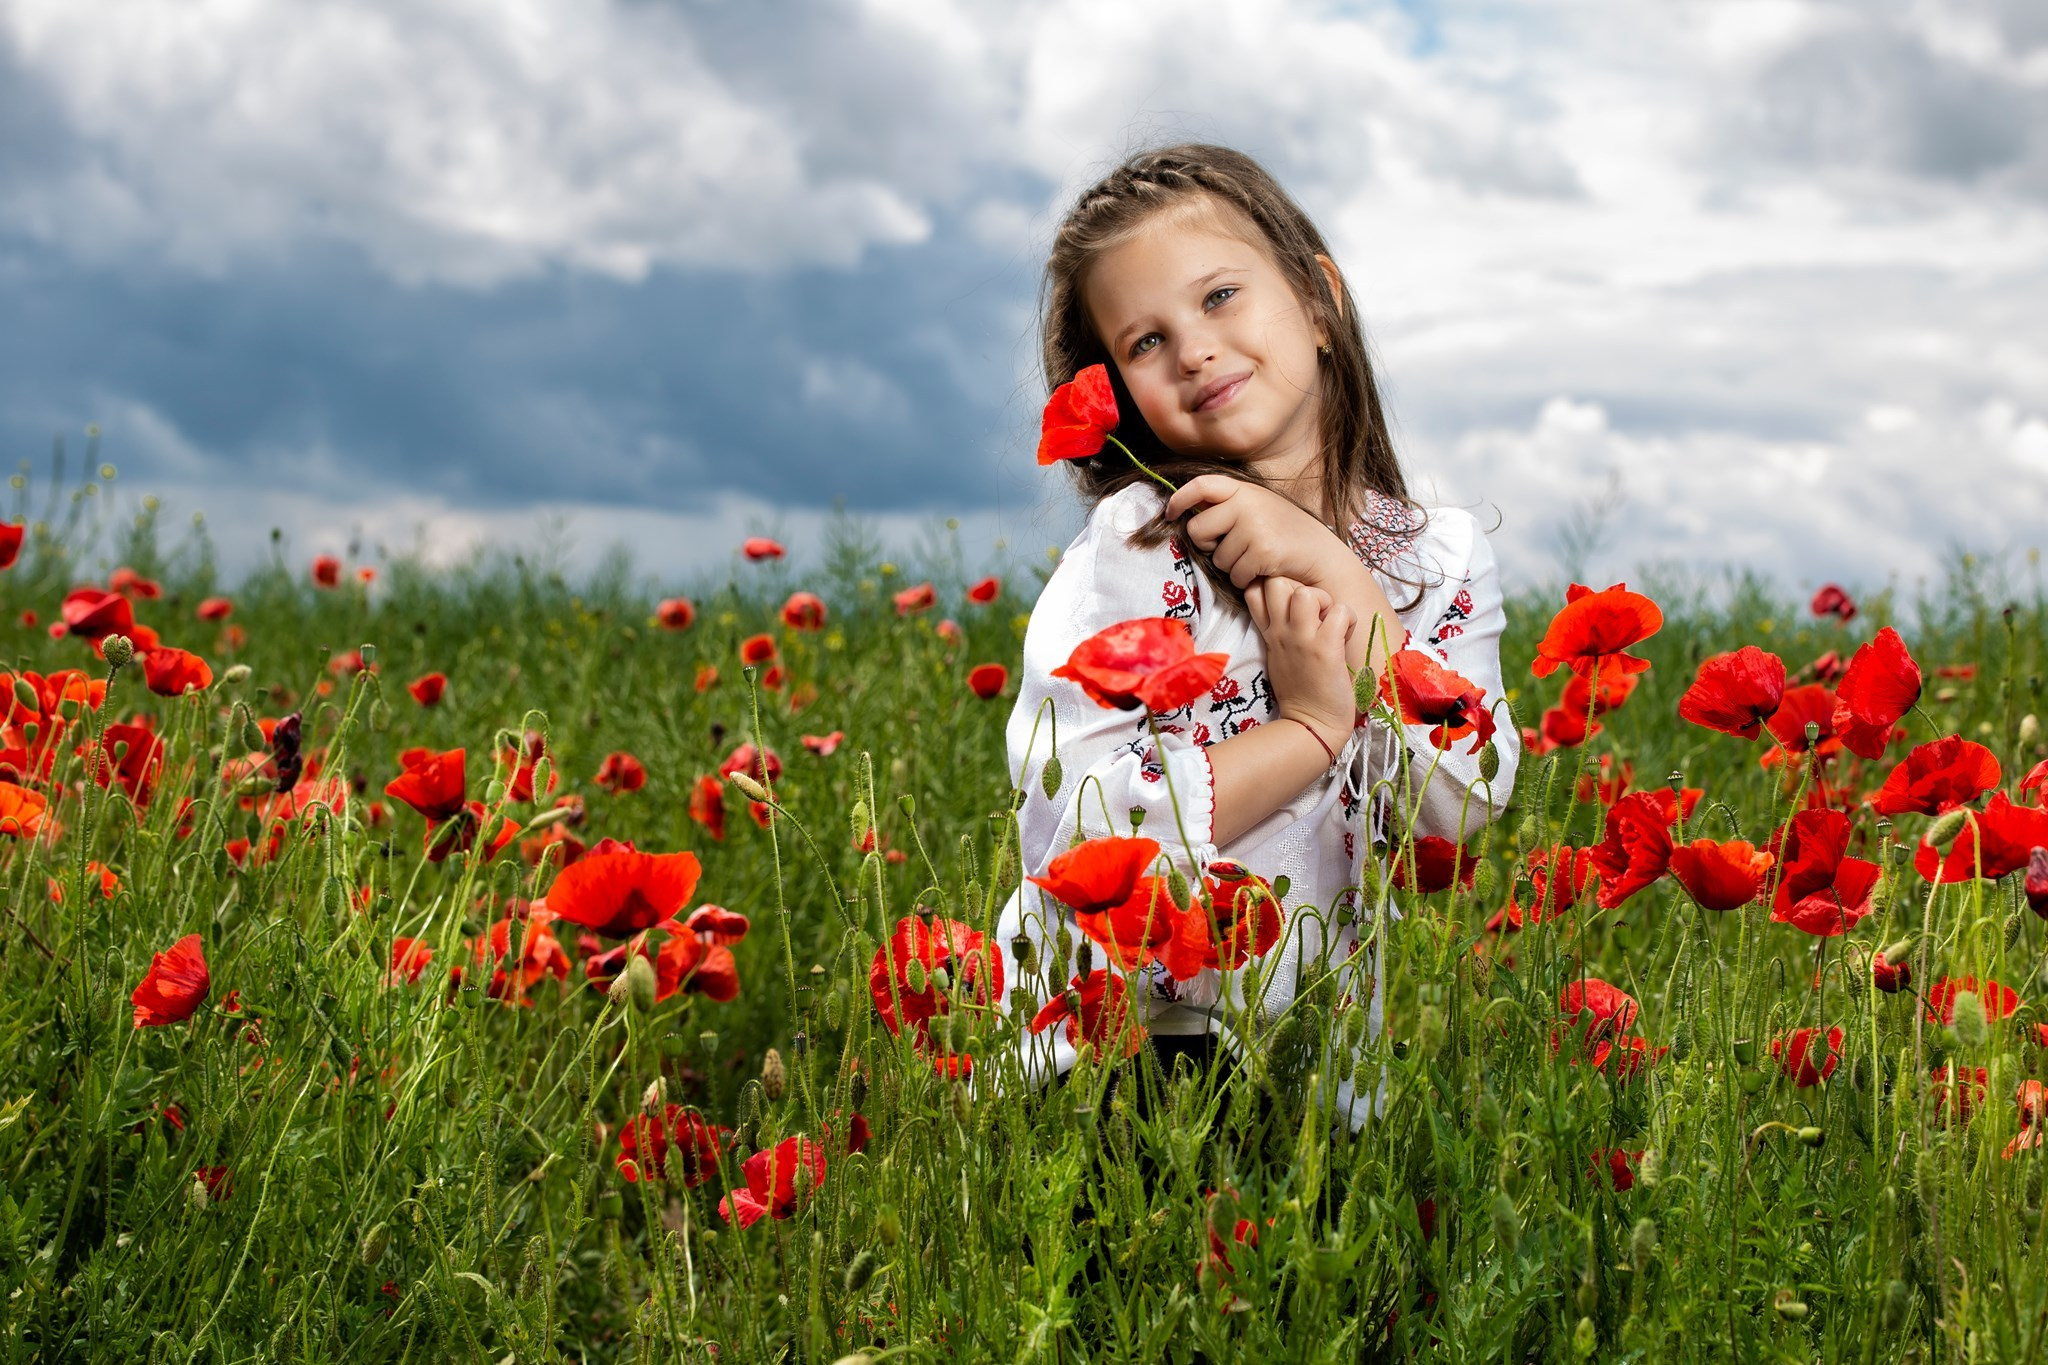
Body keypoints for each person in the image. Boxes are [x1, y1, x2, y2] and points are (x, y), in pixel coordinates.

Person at [993, 143, 1520, 1130]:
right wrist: (1313, 728)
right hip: (1124, 1051)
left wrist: (1339, 581)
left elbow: (1459, 809)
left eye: (1221, 295)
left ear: (1319, 302)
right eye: (1144, 341)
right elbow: (1098, 829)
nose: (1192, 348)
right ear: (1117, 393)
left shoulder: (1438, 560)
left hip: (1321, 1075)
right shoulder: (1134, 554)